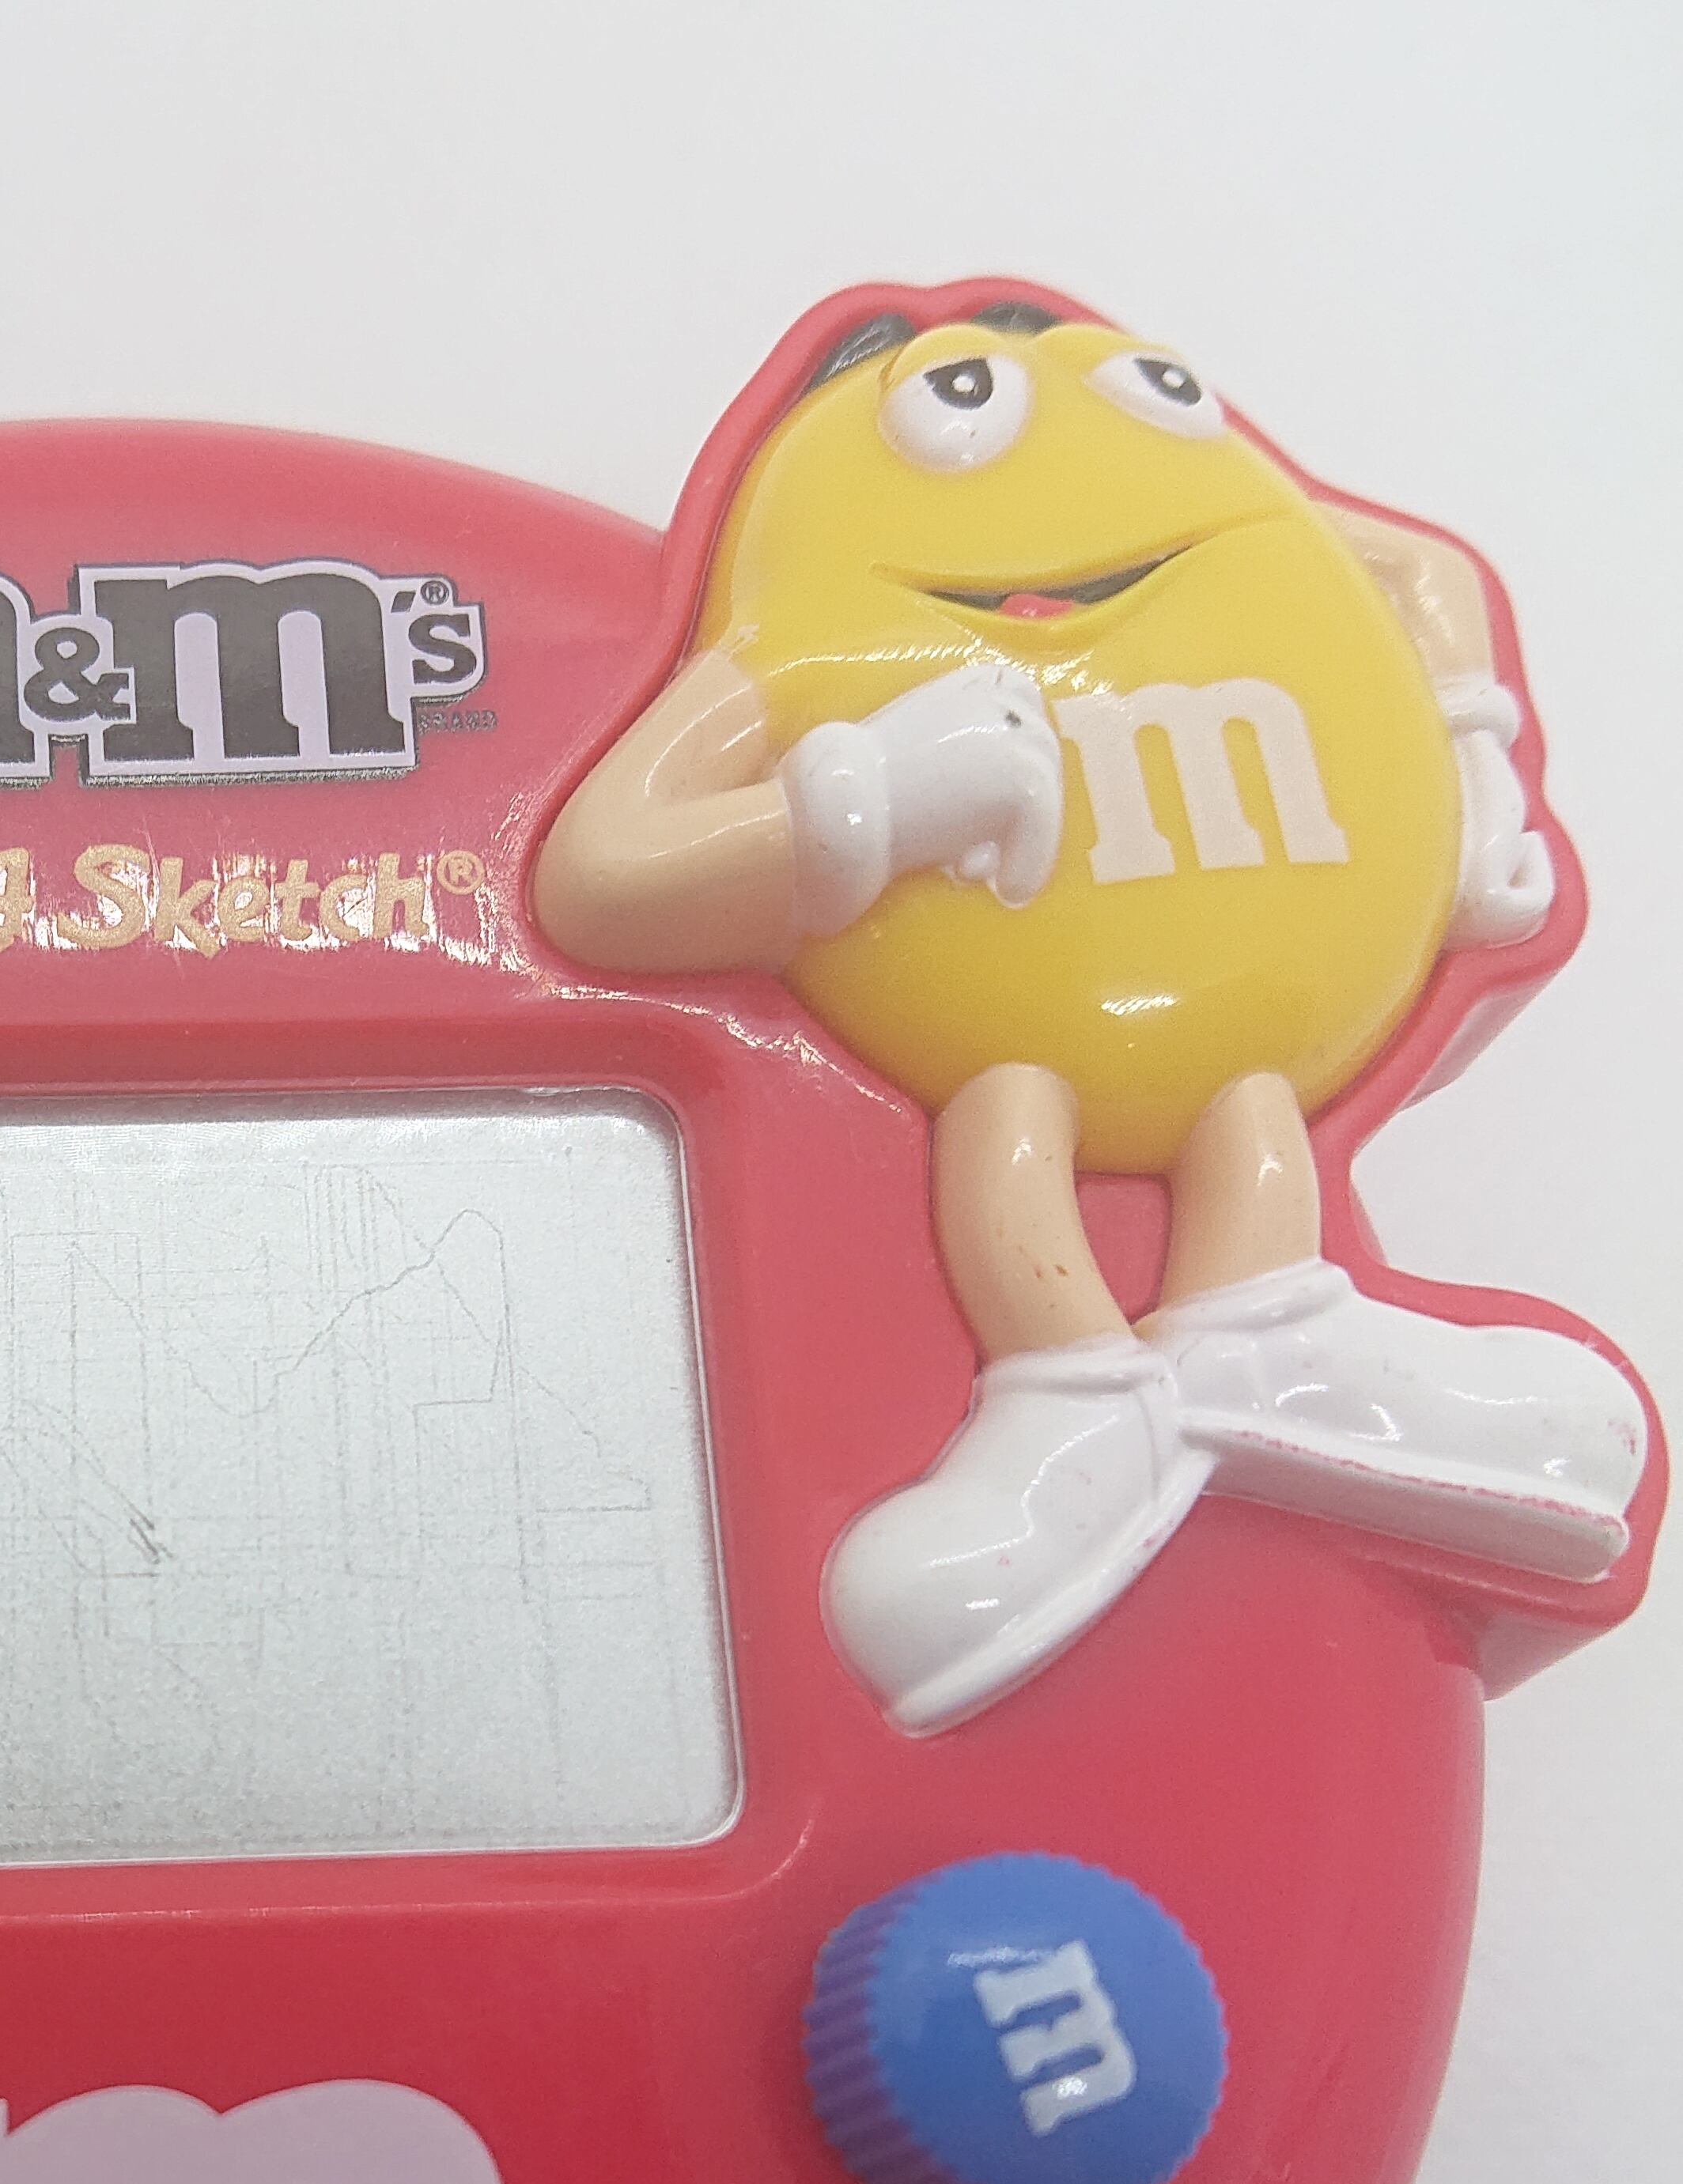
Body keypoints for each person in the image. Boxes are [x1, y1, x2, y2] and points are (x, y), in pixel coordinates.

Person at [535, 300, 1643, 1733]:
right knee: (1015, 1111)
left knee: (1245, 1096)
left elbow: (1424, 572)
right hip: (1003, 1020)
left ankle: (1271, 1330)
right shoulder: (812, 637)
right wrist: (873, 794)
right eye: (966, 405)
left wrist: (1476, 769)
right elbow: (599, 875)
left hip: (1268, 982)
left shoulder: (1259, 549)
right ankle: (1068, 1385)